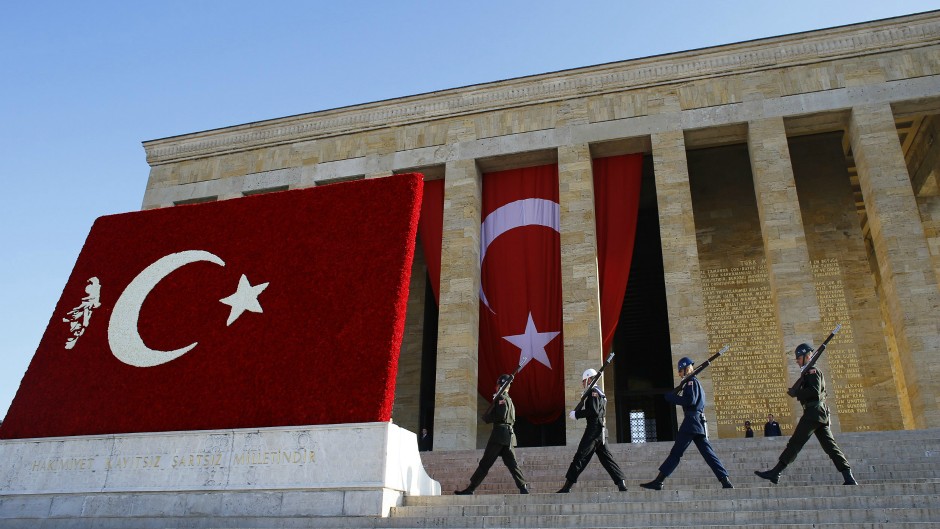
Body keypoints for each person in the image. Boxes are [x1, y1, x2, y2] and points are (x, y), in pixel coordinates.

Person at [755, 343, 858, 485]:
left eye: (798, 358)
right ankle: (849, 477)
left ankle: (776, 472)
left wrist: (796, 392)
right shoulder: (810, 372)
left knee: (795, 443)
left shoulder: (812, 372)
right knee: (830, 447)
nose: (797, 361)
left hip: (813, 413)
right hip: (819, 414)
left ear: (806, 356)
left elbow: (814, 392)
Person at [640, 357, 734, 490]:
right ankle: (725, 481)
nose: (679, 374)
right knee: (708, 453)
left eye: (680, 371)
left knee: (676, 453)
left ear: (685, 369)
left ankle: (659, 481)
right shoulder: (695, 383)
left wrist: (672, 398)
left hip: (691, 422)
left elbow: (690, 401)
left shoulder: (691, 382)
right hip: (697, 422)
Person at [454, 374, 529, 495]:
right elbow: (511, 418)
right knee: (512, 464)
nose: (496, 387)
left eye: (497, 385)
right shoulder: (510, 400)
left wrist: (487, 417)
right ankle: (523, 487)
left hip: (499, 435)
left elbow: (501, 415)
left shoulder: (501, 398)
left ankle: (471, 488)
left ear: (500, 385)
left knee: (485, 463)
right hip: (508, 436)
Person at [556, 369, 628, 493]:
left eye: (584, 381)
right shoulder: (599, 392)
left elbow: (594, 411)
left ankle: (567, 487)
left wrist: (577, 414)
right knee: (607, 459)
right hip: (600, 430)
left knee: (580, 457)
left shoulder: (593, 392)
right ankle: (621, 483)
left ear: (589, 379)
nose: (583, 383)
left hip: (593, 429)